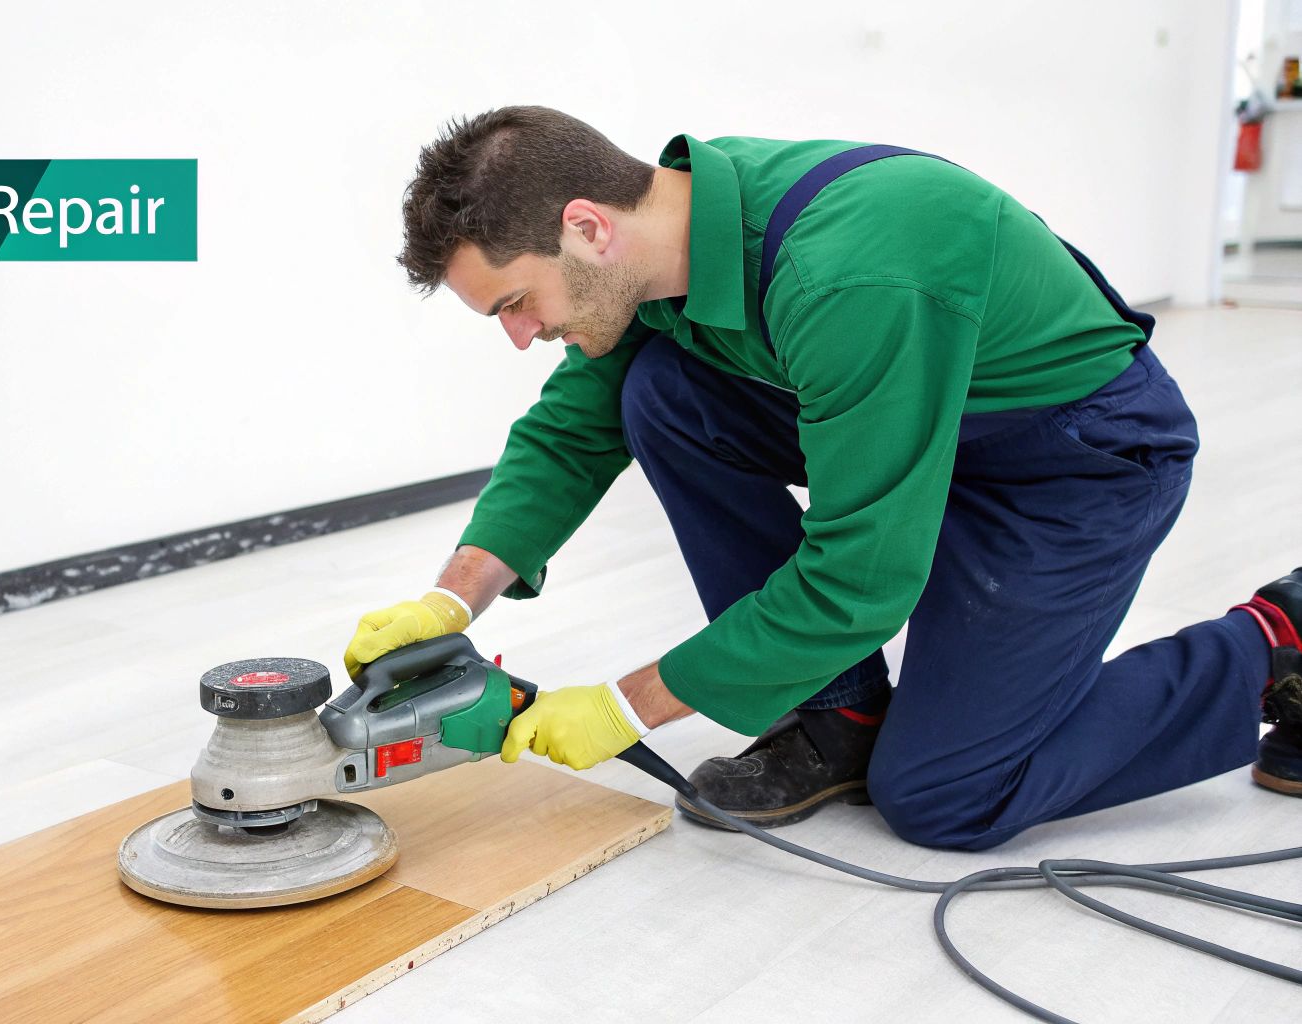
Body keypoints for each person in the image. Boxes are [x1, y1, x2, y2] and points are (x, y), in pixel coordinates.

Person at [344, 105, 1301, 851]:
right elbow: (568, 432)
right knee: (664, 388)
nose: (520, 335)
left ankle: (1276, 646)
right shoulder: (662, 244)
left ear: (587, 227)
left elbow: (861, 577)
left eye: (515, 303)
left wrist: (625, 706)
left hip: (1070, 465)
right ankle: (835, 714)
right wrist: (449, 603)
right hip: (927, 430)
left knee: (945, 796)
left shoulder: (847, 271)